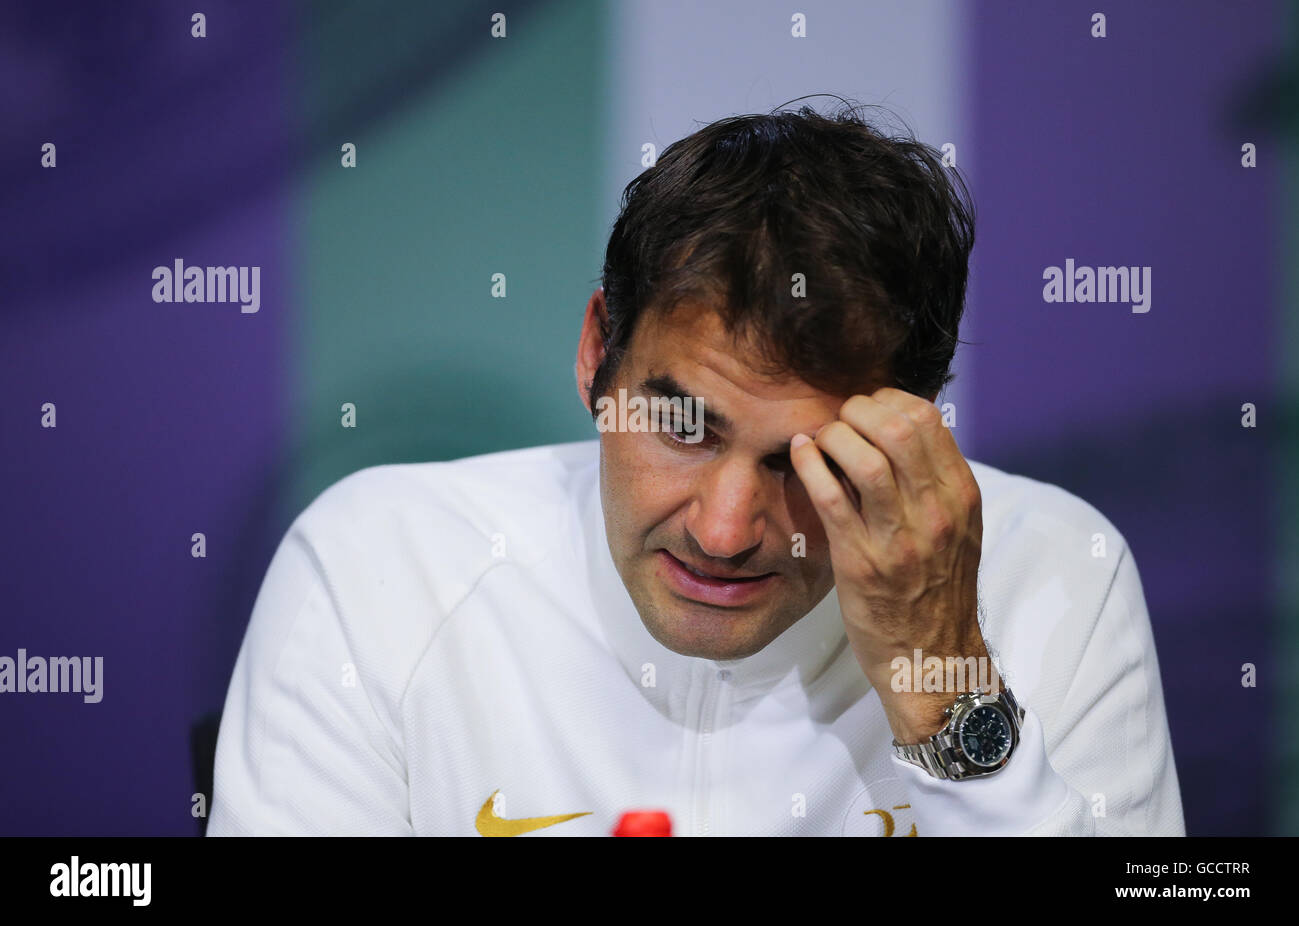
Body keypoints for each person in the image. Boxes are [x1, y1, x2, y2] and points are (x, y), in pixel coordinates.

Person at [207, 103, 1184, 836]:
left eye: (805, 459)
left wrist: (948, 686)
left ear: (911, 432)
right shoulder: (379, 565)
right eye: (680, 423)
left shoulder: (1058, 572)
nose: (723, 531)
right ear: (598, 352)